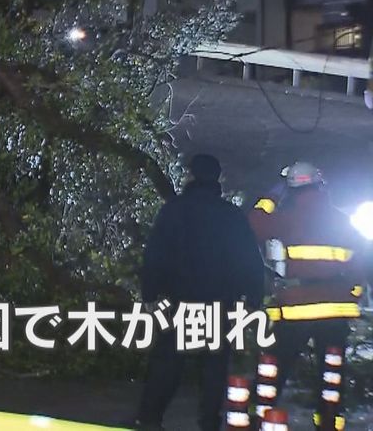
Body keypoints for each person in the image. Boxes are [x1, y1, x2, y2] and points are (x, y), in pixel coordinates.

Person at [135, 154, 266, 431]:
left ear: (191, 175)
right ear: (217, 178)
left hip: (180, 301)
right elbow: (249, 259)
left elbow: (155, 254)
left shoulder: (174, 210)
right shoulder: (231, 215)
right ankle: (208, 423)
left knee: (168, 363)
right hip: (220, 304)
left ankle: (150, 418)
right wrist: (253, 298)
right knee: (215, 367)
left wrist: (149, 294)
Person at [248, 161, 365, 431]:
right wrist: (353, 296)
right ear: (320, 185)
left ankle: (260, 419)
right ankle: (328, 424)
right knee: (332, 375)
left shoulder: (286, 219)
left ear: (291, 190)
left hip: (295, 309)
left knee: (274, 368)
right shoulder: (341, 220)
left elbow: (254, 223)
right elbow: (361, 261)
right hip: (335, 312)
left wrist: (272, 196)